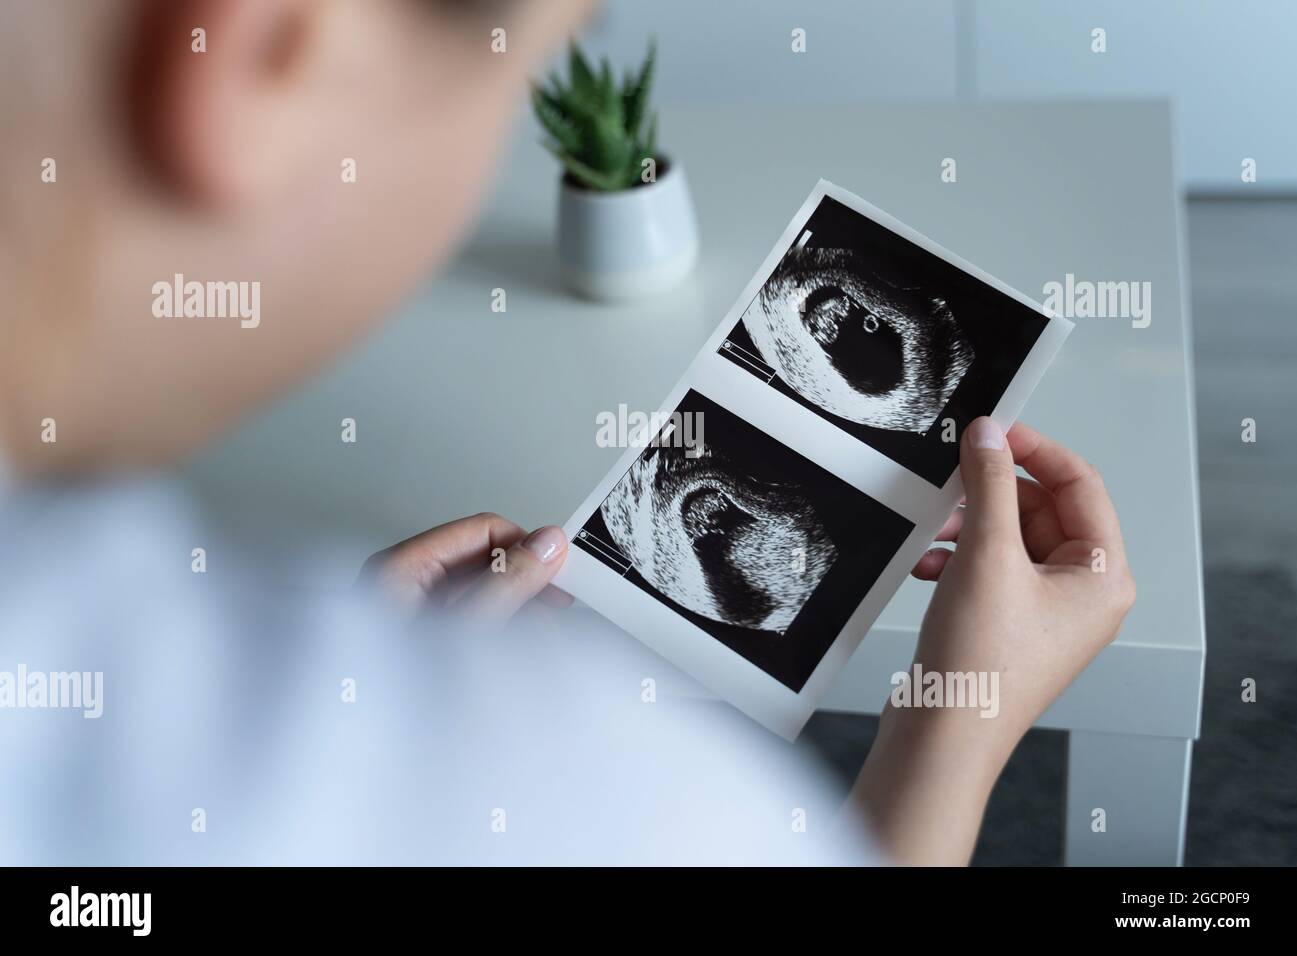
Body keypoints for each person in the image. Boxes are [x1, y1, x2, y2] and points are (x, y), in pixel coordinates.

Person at [0, 0, 1135, 866]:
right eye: (522, 72)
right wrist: (961, 720)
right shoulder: (615, 796)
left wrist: (348, 694)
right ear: (268, 52)